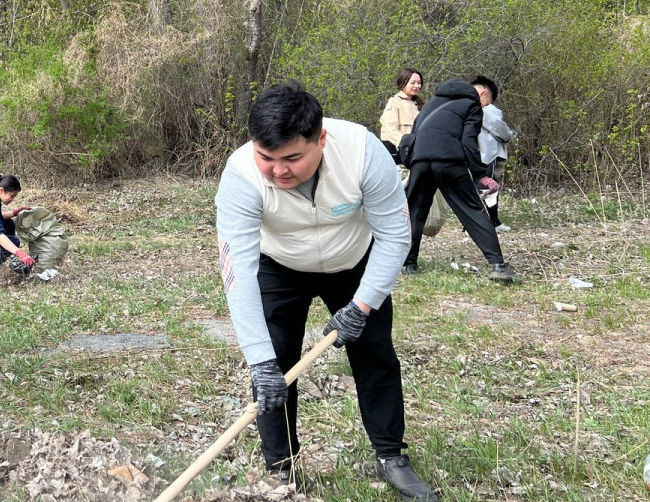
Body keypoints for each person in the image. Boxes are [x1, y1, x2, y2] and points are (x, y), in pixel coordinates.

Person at [215, 83, 438, 501]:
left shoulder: (362, 152)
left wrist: (362, 304)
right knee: (275, 366)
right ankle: (281, 469)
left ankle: (391, 456)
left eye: (293, 158)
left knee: (375, 354)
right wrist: (258, 360)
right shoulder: (241, 176)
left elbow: (394, 235)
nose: (279, 171)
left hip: (352, 262)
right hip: (277, 266)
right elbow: (237, 273)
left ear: (321, 139)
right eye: (267, 157)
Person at [402, 79, 514, 282]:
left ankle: (408, 263)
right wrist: (480, 174)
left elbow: (414, 135)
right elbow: (468, 141)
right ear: (481, 95)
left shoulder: (429, 105)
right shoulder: (471, 106)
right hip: (448, 161)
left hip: (420, 161)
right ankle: (498, 265)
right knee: (471, 210)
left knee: (415, 212)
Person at [474, 76, 515, 233]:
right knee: (489, 189)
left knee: (481, 188)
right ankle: (491, 222)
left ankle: (486, 221)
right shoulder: (489, 110)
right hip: (486, 154)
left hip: (473, 154)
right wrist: (510, 135)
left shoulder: (462, 107)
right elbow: (502, 132)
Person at [379, 68, 425, 160]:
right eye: (412, 83)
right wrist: (407, 144)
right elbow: (389, 129)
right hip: (399, 154)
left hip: (416, 153)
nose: (416, 86)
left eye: (419, 83)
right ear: (403, 82)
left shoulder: (419, 104)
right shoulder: (395, 101)